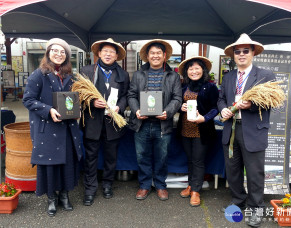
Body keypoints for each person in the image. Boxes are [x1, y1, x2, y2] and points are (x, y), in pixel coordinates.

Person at [217, 33, 276, 227]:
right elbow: (221, 98)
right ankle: (238, 201)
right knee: (232, 170)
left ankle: (256, 208)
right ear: (233, 55)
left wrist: (250, 104)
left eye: (245, 51)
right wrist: (222, 108)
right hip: (231, 129)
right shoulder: (229, 76)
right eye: (237, 51)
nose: (241, 54)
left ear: (253, 53)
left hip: (253, 131)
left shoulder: (266, 75)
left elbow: (270, 102)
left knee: (254, 173)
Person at [23, 38, 83, 217]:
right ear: (48, 53)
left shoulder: (70, 77)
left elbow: (73, 99)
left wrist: (77, 109)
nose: (59, 54)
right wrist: (48, 110)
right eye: (55, 51)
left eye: (62, 52)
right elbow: (28, 99)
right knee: (50, 165)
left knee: (67, 162)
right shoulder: (38, 74)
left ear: (66, 57)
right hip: (47, 129)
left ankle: (64, 195)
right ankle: (51, 198)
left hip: (67, 129)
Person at [127, 39, 182, 201]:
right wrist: (136, 110)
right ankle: (144, 185)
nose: (156, 56)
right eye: (152, 53)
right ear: (147, 56)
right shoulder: (138, 74)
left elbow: (177, 98)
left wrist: (168, 112)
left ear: (164, 56)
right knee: (141, 156)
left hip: (162, 124)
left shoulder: (173, 76)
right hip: (141, 123)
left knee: (162, 157)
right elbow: (131, 95)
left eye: (159, 53)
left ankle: (160, 185)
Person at [80, 38, 129, 205]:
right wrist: (91, 102)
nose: (108, 54)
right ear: (99, 53)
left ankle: (108, 184)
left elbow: (126, 96)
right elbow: (78, 95)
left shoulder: (123, 74)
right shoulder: (87, 71)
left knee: (110, 157)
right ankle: (90, 189)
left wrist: (119, 108)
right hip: (92, 122)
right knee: (91, 157)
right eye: (105, 51)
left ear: (117, 56)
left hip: (112, 122)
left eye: (112, 52)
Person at [177, 56, 219, 207]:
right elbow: (178, 103)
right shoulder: (183, 87)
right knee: (190, 159)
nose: (194, 71)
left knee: (198, 161)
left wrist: (205, 118)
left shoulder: (210, 87)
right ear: (186, 71)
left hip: (202, 129)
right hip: (185, 129)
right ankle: (191, 184)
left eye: (197, 68)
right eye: (190, 68)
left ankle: (196, 190)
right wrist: (179, 107)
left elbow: (216, 108)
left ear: (203, 70)